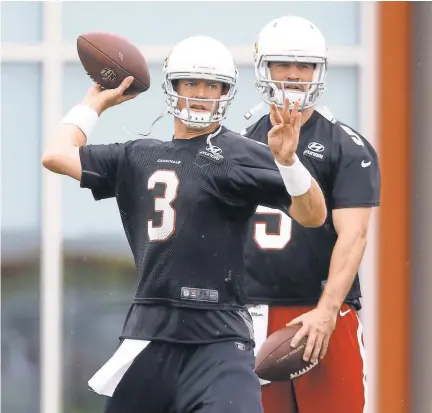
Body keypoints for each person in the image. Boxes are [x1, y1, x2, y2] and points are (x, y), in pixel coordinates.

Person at [42, 35, 326, 413]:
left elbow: (314, 214)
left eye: (212, 85)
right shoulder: (139, 155)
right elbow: (56, 154)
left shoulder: (238, 153)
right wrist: (95, 102)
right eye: (191, 82)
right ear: (172, 87)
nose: (201, 93)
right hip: (151, 333)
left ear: (226, 93)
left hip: (219, 337)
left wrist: (290, 164)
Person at [242, 16, 381, 413]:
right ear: (264, 68)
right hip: (251, 311)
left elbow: (353, 237)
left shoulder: (346, 146)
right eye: (283, 64)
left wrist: (325, 311)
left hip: (323, 311)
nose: (293, 75)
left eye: (304, 65)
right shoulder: (239, 143)